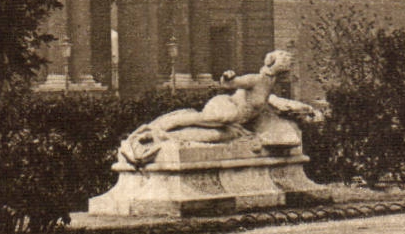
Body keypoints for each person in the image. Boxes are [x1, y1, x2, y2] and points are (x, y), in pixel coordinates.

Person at [118, 50, 317, 167]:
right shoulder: (256, 79)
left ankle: (163, 136)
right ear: (275, 63)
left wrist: (306, 109)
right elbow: (230, 84)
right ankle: (162, 127)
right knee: (216, 119)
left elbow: (273, 101)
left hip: (237, 122)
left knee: (215, 135)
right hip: (227, 107)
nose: (289, 64)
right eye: (285, 61)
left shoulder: (270, 84)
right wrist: (228, 77)